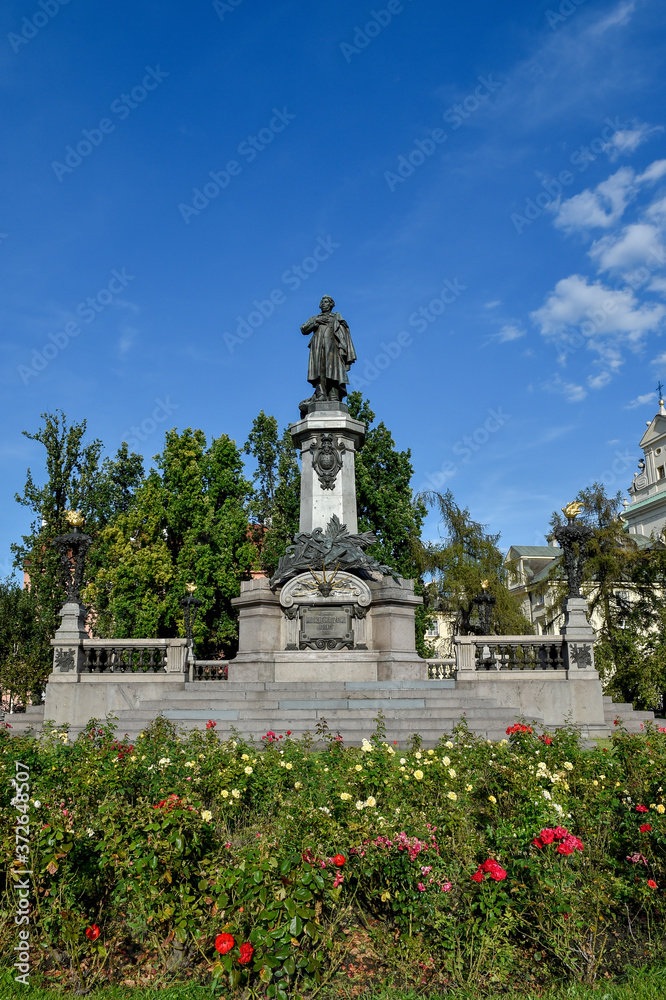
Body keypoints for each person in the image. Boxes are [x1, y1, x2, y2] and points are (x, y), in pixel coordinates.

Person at [300, 296, 357, 404]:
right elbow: (303, 329)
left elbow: (343, 335)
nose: (324, 304)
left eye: (326, 302)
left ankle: (333, 395)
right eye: (322, 302)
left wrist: (342, 348)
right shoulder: (315, 318)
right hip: (317, 348)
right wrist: (316, 321)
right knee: (319, 371)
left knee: (333, 370)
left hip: (332, 348)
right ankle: (321, 394)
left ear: (331, 305)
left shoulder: (336, 318)